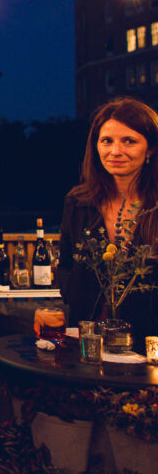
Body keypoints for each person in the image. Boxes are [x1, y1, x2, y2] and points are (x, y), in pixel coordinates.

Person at [58, 97, 158, 338]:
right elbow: (66, 265)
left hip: (149, 339)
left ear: (151, 149)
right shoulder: (78, 202)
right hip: (87, 335)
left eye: (129, 141)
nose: (116, 151)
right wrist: (74, 295)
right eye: (106, 141)